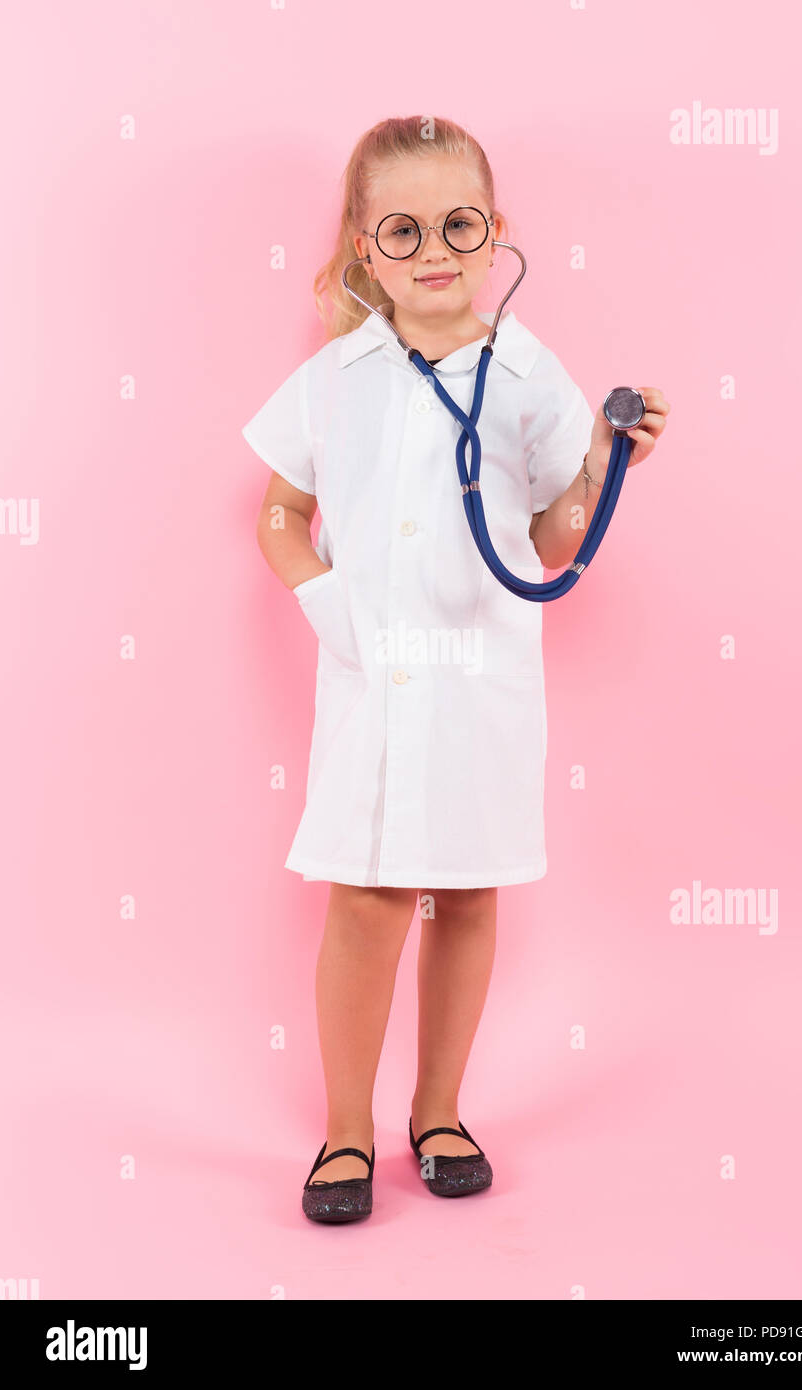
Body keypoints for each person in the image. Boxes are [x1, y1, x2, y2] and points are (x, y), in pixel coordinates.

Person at [241, 116, 670, 1224]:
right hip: (370, 677)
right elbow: (281, 512)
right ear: (363, 250)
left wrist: (604, 465)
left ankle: (438, 1114)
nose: (434, 247)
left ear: (494, 236)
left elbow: (558, 534)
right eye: (403, 228)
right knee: (367, 895)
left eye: (458, 223)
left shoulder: (528, 374)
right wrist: (326, 601)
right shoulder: (335, 377)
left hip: (479, 676)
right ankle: (346, 1130)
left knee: (467, 889)